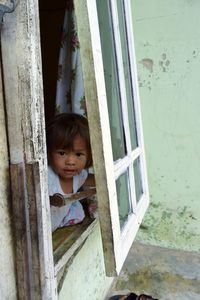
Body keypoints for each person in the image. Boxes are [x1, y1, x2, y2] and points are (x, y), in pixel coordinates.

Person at [46, 113, 95, 232]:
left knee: (77, 212)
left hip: (55, 226)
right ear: (48, 151)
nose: (71, 162)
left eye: (78, 154)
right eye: (62, 153)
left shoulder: (78, 175)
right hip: (39, 236)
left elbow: (91, 178)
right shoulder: (46, 177)